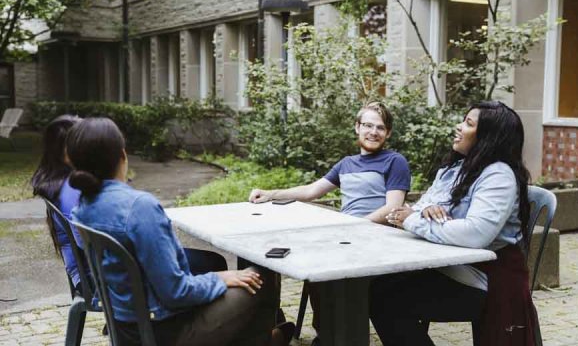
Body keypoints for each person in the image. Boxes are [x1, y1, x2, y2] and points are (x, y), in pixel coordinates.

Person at [67, 117, 288, 346]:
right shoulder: (139, 208)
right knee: (262, 277)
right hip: (166, 332)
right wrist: (219, 279)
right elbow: (176, 293)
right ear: (122, 156)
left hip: (126, 329)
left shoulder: (83, 208)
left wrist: (216, 279)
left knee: (233, 278)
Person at [373, 101, 539, 346]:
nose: (459, 127)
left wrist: (413, 221)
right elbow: (414, 209)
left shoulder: (498, 175)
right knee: (378, 286)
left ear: (488, 137)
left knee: (385, 299)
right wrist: (426, 211)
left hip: (488, 277)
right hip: (454, 263)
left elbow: (475, 234)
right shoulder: (457, 167)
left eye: (468, 124)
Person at [249, 101, 411, 345]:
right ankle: (322, 334)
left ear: (387, 133)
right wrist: (270, 194)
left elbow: (392, 207)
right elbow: (312, 191)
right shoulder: (346, 164)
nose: (373, 132)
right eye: (368, 125)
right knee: (288, 258)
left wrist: (353, 225)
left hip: (376, 238)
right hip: (345, 237)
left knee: (323, 267)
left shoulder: (395, 161)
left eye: (380, 127)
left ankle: (334, 337)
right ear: (357, 128)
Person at [31, 114, 84, 291]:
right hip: (90, 278)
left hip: (86, 271)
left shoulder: (63, 181)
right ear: (64, 151)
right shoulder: (72, 189)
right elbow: (87, 242)